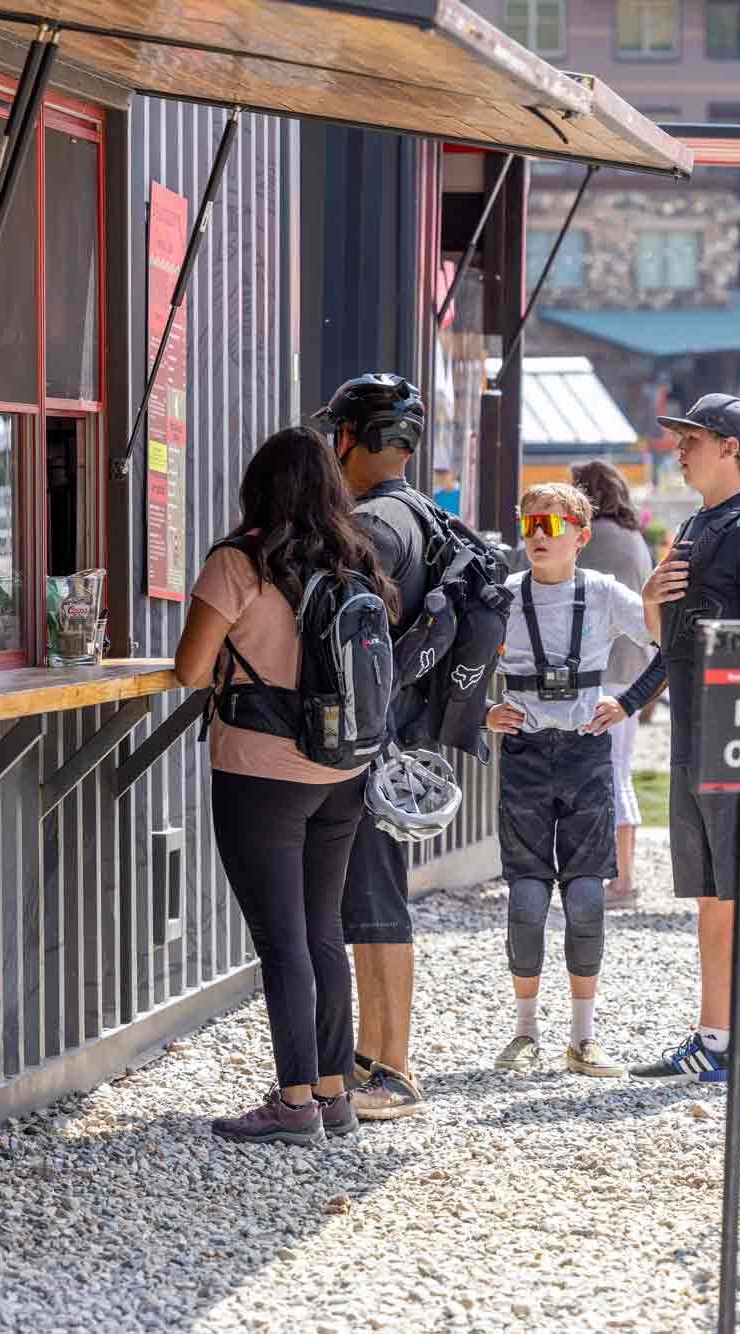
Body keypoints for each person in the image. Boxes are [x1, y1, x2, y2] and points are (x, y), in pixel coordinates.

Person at [174, 425, 397, 1147]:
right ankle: (332, 1094)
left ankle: (293, 1101)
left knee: (281, 941)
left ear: (257, 488)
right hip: (342, 768)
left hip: (261, 769)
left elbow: (186, 669)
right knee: (321, 929)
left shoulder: (239, 562)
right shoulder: (354, 561)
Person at [633, 394, 740, 1091]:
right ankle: (715, 1037)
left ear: (732, 445)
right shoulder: (695, 525)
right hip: (694, 730)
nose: (678, 449)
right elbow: (665, 642)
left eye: (692, 438)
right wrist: (649, 598)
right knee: (711, 891)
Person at [486, 482, 665, 1078]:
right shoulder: (502, 597)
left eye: (551, 526)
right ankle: (524, 1031)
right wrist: (482, 713)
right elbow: (450, 664)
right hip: (526, 755)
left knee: (587, 899)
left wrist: (628, 701)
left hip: (588, 753)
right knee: (528, 899)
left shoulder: (606, 595)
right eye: (530, 523)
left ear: (580, 538)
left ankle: (584, 1038)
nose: (538, 535)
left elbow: (671, 647)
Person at [313, 373, 432, 1121]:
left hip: (372, 737)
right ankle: (372, 1058)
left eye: (337, 434)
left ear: (353, 437)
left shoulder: (373, 527)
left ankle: (392, 1069)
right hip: (402, 732)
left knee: (375, 900)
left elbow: (352, 642)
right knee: (370, 896)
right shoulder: (418, 513)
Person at [571, 460, 657, 910]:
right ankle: (625, 876)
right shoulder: (635, 540)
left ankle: (618, 880)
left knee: (597, 775)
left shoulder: (587, 541)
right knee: (620, 770)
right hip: (635, 668)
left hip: (595, 669)